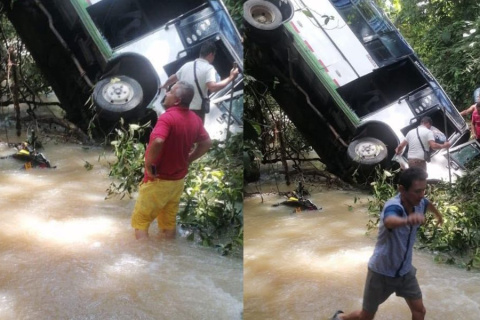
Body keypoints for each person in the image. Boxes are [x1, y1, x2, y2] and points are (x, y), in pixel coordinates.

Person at [331, 167, 444, 320]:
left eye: (424, 190)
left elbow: (427, 203)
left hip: (405, 271)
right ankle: (341, 318)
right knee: (366, 316)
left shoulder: (420, 202)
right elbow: (389, 221)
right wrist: (407, 220)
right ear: (402, 190)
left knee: (420, 311)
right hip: (381, 272)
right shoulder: (393, 206)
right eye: (417, 191)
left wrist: (438, 216)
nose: (421, 195)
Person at [130, 81, 212, 240]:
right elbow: (207, 143)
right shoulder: (194, 119)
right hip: (177, 182)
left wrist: (148, 165)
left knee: (141, 222)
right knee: (168, 223)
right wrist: (188, 159)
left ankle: (144, 261)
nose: (166, 93)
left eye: (170, 91)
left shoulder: (167, 118)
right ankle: (167, 255)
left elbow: (159, 141)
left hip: (159, 180)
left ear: (177, 100)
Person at [161, 40, 239, 122]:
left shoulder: (187, 64)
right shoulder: (209, 68)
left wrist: (165, 85)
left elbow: (174, 77)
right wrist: (231, 77)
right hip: (195, 112)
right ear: (210, 55)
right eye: (214, 55)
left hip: (179, 107)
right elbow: (212, 87)